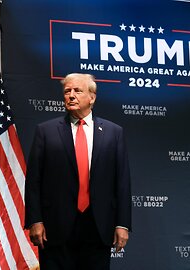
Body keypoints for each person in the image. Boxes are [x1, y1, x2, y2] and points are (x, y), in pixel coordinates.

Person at [24, 73, 132, 269]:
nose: (71, 95)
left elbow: (122, 182)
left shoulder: (114, 133)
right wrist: (35, 221)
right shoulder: (46, 131)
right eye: (67, 91)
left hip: (98, 226)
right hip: (55, 228)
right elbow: (33, 181)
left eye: (77, 91)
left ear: (92, 97)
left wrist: (122, 224)